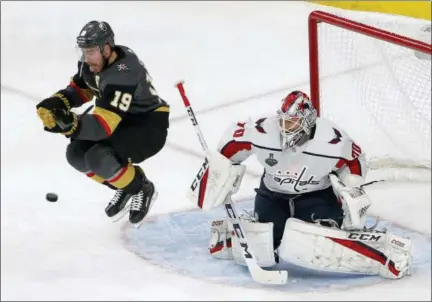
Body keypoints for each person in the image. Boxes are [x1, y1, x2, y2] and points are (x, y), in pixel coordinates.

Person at [191, 91, 412, 279]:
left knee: (319, 243)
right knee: (263, 247)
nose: (285, 127)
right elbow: (231, 144)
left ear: (307, 121)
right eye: (283, 121)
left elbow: (354, 163)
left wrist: (352, 187)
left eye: (292, 122)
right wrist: (222, 170)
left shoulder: (332, 140)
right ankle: (226, 235)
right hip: (272, 196)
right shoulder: (264, 132)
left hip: (316, 198)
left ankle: (384, 257)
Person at [36, 21, 169, 227]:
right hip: (122, 120)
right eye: (84, 52)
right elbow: (82, 88)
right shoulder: (95, 63)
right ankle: (125, 183)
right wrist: (57, 101)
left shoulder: (124, 74)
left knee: (98, 157)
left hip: (147, 126)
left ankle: (140, 187)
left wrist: (70, 124)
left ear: (106, 49)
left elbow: (101, 127)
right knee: (76, 155)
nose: (86, 59)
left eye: (90, 52)